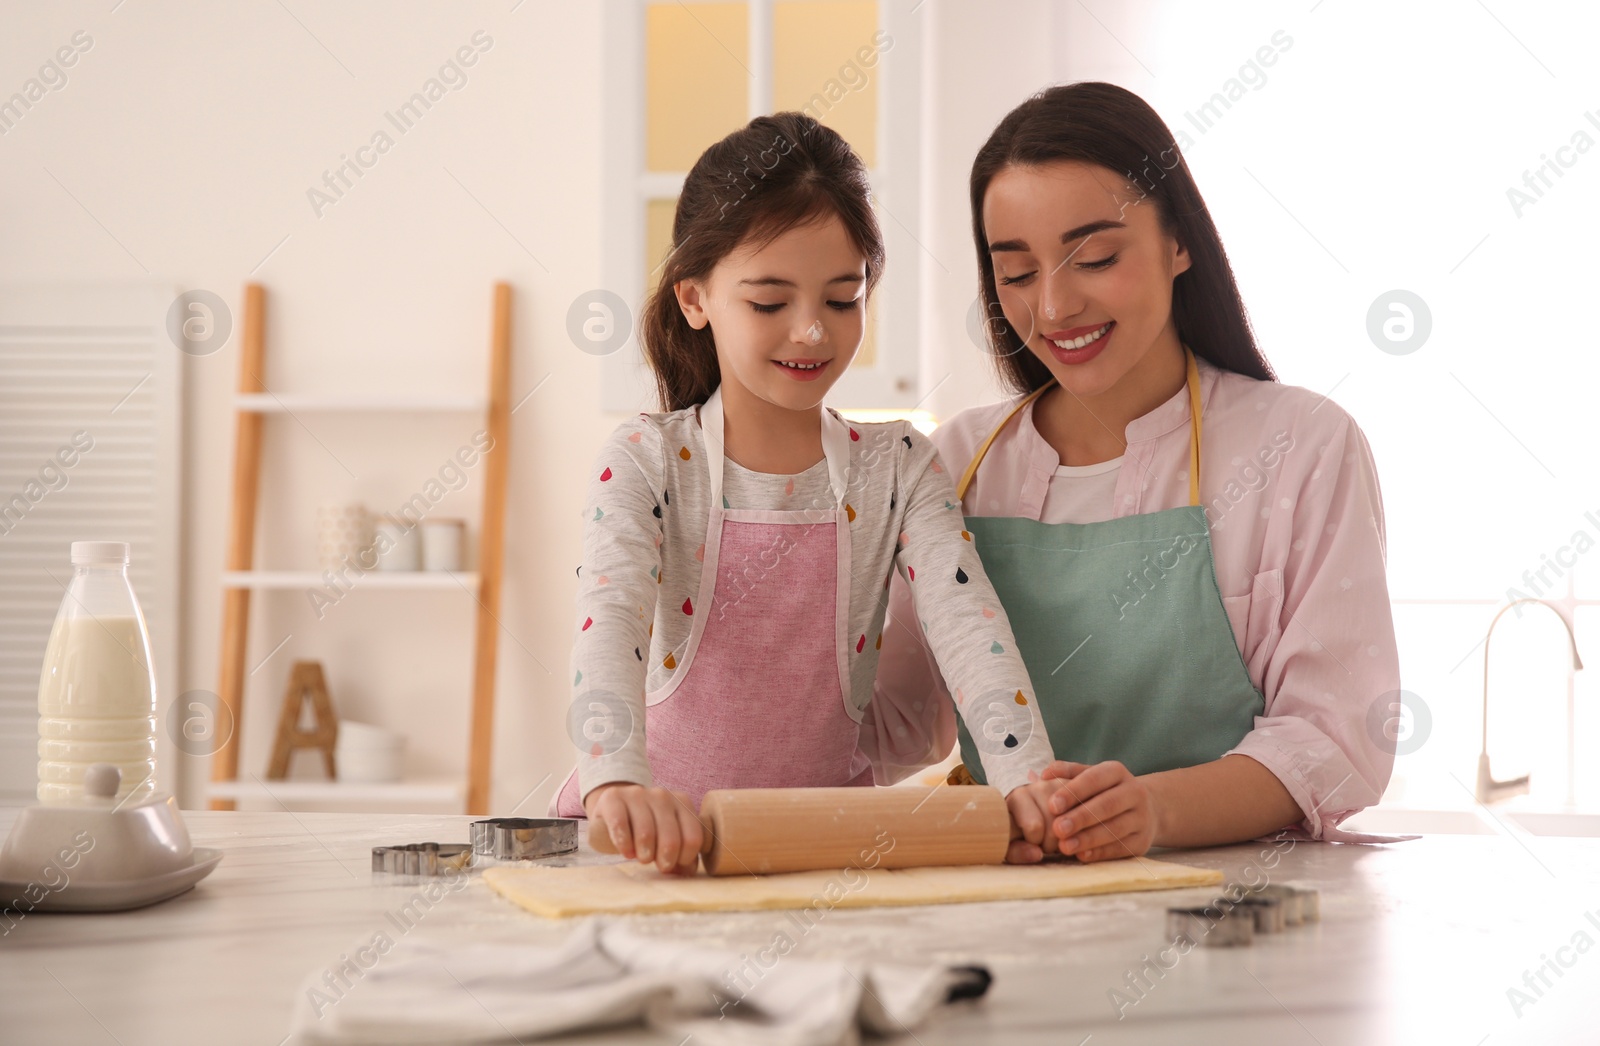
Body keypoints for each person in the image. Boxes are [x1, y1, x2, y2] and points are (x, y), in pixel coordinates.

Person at [866, 82, 1402, 863]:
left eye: (1095, 257)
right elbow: (897, 721)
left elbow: (1337, 737)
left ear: (1179, 241)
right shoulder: (956, 464)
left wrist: (1151, 810)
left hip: (1233, 920)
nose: (1052, 308)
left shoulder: (1303, 447)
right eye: (1016, 274)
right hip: (1011, 911)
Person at [552, 112, 1072, 874]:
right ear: (696, 299)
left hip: (825, 852)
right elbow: (612, 623)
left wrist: (1027, 781)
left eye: (841, 298)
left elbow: (969, 629)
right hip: (649, 848)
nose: (811, 333)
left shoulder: (897, 465)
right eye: (769, 303)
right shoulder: (646, 460)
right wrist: (616, 783)